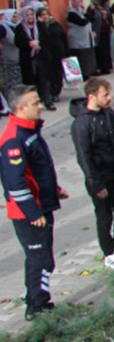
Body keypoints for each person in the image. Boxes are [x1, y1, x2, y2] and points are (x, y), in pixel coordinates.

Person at [1, 85, 69, 320]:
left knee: (44, 258)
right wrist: (32, 212)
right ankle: (36, 308)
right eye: (35, 103)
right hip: (28, 213)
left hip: (41, 205)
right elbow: (15, 183)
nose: (40, 106)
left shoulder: (28, 131)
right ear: (20, 108)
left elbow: (38, 170)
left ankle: (39, 301)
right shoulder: (13, 139)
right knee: (39, 259)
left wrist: (54, 190)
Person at [70, 77, 114, 270]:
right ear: (92, 96)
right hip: (99, 177)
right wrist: (95, 183)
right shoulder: (81, 124)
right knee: (105, 216)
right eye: (105, 95)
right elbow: (83, 156)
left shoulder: (109, 114)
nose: (110, 98)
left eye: (110, 94)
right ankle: (109, 253)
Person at [33, 8, 67, 109]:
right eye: (42, 15)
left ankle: (56, 93)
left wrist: (67, 53)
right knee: (47, 77)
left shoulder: (55, 24)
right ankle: (49, 95)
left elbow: (63, 38)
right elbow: (44, 39)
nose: (45, 16)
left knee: (58, 74)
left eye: (46, 14)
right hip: (46, 56)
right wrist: (42, 25)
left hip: (58, 53)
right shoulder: (38, 27)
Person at [66, 0, 98, 78]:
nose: (81, 4)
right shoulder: (71, 13)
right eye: (79, 2)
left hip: (86, 39)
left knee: (88, 56)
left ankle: (89, 71)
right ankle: (83, 74)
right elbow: (82, 22)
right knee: (81, 57)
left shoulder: (82, 11)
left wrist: (89, 11)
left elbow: (92, 19)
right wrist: (88, 14)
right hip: (77, 40)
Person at [0, 10, 21, 101]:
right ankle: (10, 101)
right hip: (8, 59)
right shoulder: (3, 28)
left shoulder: (17, 27)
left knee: (18, 81)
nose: (16, 19)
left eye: (17, 16)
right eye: (13, 17)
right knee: (9, 82)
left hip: (18, 58)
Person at [93, 0, 114, 74]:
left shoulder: (107, 9)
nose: (108, 2)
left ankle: (106, 67)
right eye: (107, 1)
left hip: (106, 32)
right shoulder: (95, 9)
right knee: (99, 50)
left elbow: (112, 17)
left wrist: (112, 25)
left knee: (106, 49)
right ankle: (100, 67)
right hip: (97, 32)